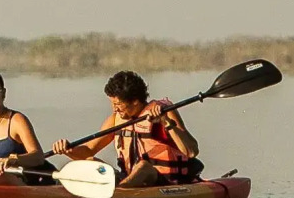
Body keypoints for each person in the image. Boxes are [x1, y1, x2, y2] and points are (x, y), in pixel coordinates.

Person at [43, 70, 203, 188]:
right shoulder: (115, 119)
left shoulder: (163, 113)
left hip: (166, 182)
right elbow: (88, 151)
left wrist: (166, 122)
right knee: (90, 162)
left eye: (118, 104)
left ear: (135, 101)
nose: (114, 109)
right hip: (129, 179)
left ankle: (119, 194)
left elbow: (191, 151)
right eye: (112, 104)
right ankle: (114, 191)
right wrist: (67, 150)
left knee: (144, 166)